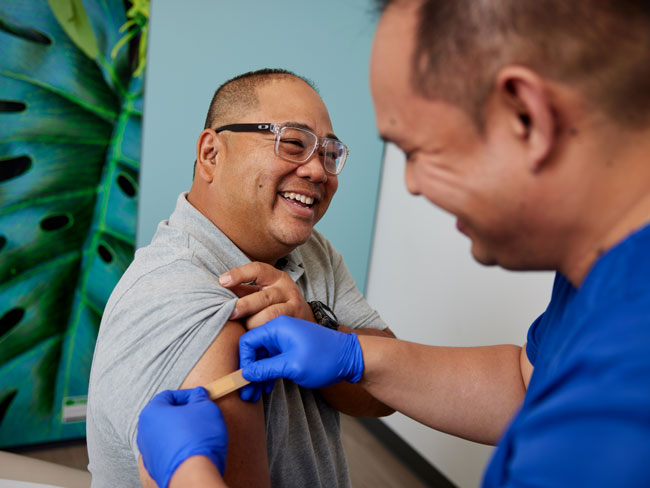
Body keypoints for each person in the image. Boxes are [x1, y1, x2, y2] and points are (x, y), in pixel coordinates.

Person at [138, 0, 650, 486]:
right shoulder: (601, 277)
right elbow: (524, 383)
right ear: (210, 153)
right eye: (293, 143)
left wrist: (190, 473)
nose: (413, 184)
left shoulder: (620, 393)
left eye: (419, 150)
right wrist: (353, 355)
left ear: (527, 119)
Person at [86, 68, 394, 488]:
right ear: (212, 154)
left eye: (328, 152)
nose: (320, 172)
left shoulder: (312, 253)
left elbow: (387, 391)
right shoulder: (182, 295)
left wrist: (319, 328)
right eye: (293, 143)